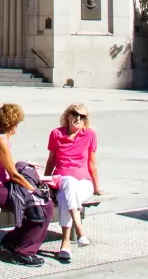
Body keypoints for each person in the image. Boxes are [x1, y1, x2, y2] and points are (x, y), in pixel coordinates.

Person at [0, 102, 51, 266]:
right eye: (17, 123)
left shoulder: (0, 137)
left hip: (1, 186)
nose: (17, 128)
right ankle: (24, 253)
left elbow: (9, 168)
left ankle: (10, 242)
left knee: (36, 204)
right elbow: (13, 174)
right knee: (42, 205)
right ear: (11, 123)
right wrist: (33, 190)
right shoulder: (0, 140)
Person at [45, 103, 102, 263]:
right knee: (68, 182)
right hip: (61, 179)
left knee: (65, 197)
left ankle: (65, 243)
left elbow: (92, 163)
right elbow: (51, 160)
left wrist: (97, 187)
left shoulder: (90, 134)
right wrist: (45, 180)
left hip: (84, 182)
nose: (78, 118)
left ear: (85, 120)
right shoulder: (56, 134)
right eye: (75, 114)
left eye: (82, 116)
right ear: (68, 115)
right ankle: (79, 229)